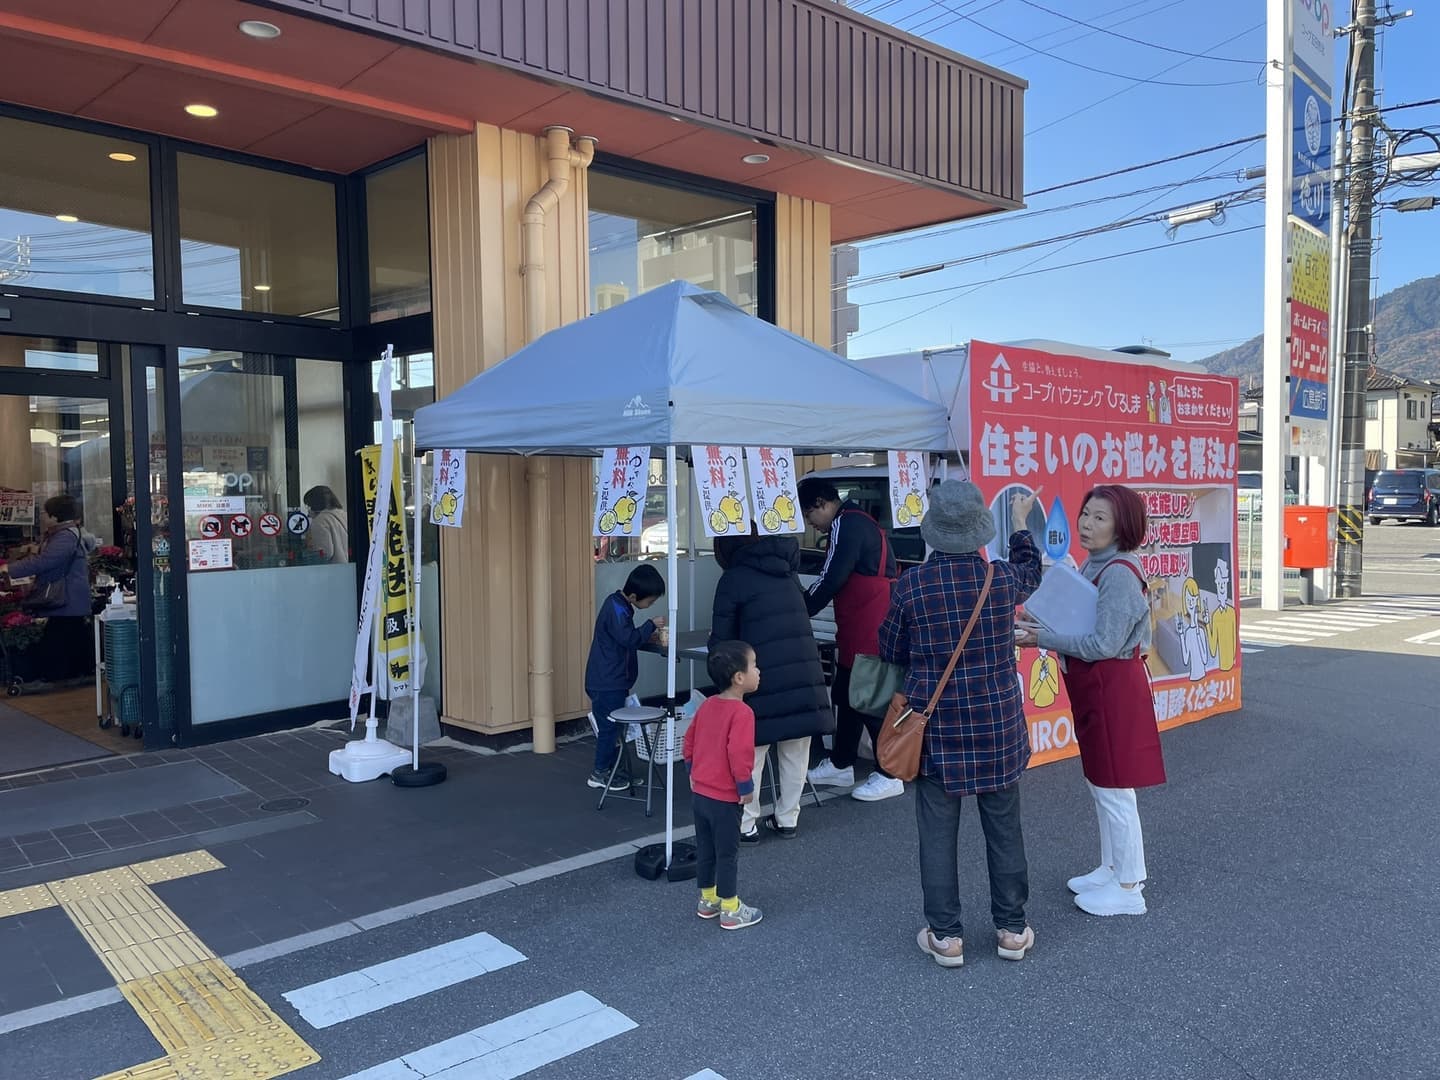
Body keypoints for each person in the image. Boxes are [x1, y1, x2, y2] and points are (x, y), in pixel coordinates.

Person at [880, 481, 1043, 967]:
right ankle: (1012, 930)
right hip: (997, 725)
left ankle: (947, 937)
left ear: (934, 533)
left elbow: (889, 649)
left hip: (936, 728)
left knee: (936, 832)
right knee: (1004, 828)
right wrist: (1019, 524)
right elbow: (1032, 569)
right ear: (977, 533)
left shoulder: (910, 586)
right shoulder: (1002, 580)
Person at [1016, 484, 1167, 918]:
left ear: (1123, 526)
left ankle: (1129, 886)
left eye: (1100, 518)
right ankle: (1111, 868)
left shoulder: (1119, 572)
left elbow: (1103, 642)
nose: (1086, 524)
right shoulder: (1098, 563)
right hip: (1098, 688)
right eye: (1086, 514)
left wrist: (1041, 636)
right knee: (1102, 782)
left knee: (1115, 787)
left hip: (1113, 688)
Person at [710, 528, 832, 842]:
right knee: (796, 749)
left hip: (758, 675)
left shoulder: (734, 579)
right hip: (801, 672)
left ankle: (746, 823)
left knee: (751, 750)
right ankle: (788, 818)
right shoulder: (787, 572)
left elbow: (722, 639)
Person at [797, 477, 902, 803]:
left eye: (810, 517)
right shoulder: (859, 522)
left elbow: (831, 575)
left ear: (821, 504)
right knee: (847, 693)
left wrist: (803, 609)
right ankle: (842, 762)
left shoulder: (846, 524)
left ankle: (890, 772)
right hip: (864, 619)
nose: (812, 526)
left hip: (868, 623)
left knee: (868, 699)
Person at [683, 639, 762, 931]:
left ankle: (708, 900)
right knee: (728, 853)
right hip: (725, 798)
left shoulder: (707, 706)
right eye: (754, 666)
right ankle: (731, 908)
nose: (758, 671)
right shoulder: (742, 713)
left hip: (700, 793)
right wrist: (745, 787)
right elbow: (739, 753)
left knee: (706, 848)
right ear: (739, 678)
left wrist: (693, 770)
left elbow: (688, 741)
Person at [584, 563, 666, 791]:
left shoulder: (619, 606)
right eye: (649, 602)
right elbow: (628, 639)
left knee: (615, 728)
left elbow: (625, 638)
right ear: (633, 595)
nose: (649, 606)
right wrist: (650, 626)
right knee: (610, 729)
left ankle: (614, 771)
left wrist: (644, 635)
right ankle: (599, 773)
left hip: (610, 680)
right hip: (607, 681)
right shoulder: (617, 609)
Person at [0, 494, 93, 682]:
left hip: (67, 596)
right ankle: (81, 671)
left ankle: (57, 675)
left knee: (57, 638)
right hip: (72, 597)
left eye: (45, 512)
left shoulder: (64, 536)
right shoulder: (66, 533)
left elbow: (46, 561)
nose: (42, 516)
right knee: (73, 635)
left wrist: (9, 568)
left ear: (55, 516)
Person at [303, 486, 349, 564]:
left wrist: (309, 548)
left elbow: (325, 553)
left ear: (314, 504)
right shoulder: (345, 515)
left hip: (333, 570)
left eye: (308, 506)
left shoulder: (320, 521)